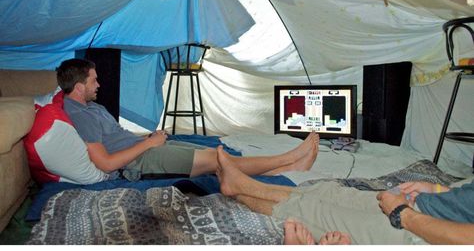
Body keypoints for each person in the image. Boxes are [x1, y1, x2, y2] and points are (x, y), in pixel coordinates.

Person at [57, 58, 320, 180]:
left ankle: (287, 169)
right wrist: (149, 145)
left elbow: (116, 138)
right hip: (139, 161)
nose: (99, 84)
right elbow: (105, 162)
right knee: (219, 160)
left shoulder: (93, 108)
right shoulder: (79, 114)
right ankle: (290, 157)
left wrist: (150, 138)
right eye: (93, 80)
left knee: (215, 153)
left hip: (144, 148)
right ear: (79, 86)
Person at [216, 145, 474, 245]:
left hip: (428, 234)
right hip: (429, 207)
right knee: (326, 190)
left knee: (311, 209)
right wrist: (441, 189)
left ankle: (238, 188)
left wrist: (401, 214)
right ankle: (239, 186)